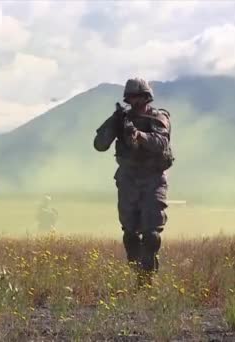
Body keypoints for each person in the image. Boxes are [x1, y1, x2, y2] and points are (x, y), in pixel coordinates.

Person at [93, 77, 174, 286]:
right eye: (132, 98)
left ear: (147, 97)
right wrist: (114, 124)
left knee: (152, 232)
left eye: (139, 98)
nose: (136, 102)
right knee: (130, 233)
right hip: (128, 177)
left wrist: (139, 135)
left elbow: (161, 143)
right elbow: (100, 145)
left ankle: (147, 278)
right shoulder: (122, 118)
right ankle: (138, 270)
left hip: (153, 178)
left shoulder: (159, 117)